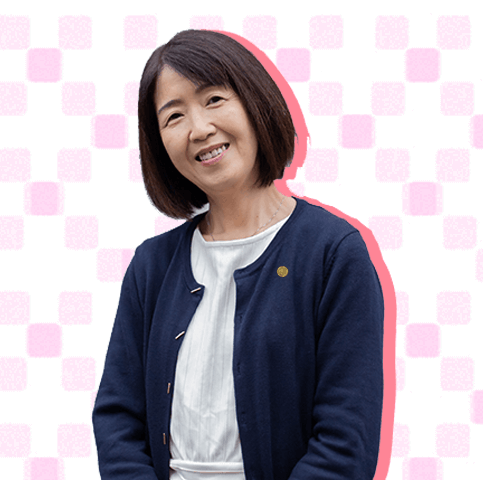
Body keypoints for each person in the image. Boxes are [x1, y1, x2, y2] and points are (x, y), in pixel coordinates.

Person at [92, 29, 385, 480]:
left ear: (255, 102)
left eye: (213, 99)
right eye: (174, 117)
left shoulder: (333, 255)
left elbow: (347, 438)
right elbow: (117, 419)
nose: (199, 129)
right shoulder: (151, 267)